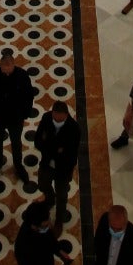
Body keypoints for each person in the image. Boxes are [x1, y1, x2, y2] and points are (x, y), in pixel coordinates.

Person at [0, 47, 36, 186]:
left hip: (15, 118)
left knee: (16, 142)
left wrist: (25, 113)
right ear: (0, 65)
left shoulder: (22, 76)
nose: (6, 71)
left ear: (13, 65)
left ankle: (18, 165)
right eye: (3, 68)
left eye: (9, 68)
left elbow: (29, 96)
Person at [33, 98, 80, 230]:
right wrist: (57, 150)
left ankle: (59, 218)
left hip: (63, 169)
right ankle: (49, 199)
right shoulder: (46, 118)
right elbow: (38, 141)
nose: (57, 121)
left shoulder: (74, 128)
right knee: (42, 184)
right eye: (55, 118)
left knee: (62, 195)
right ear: (52, 113)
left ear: (66, 115)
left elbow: (71, 154)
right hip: (47, 164)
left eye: (60, 119)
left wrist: (49, 146)